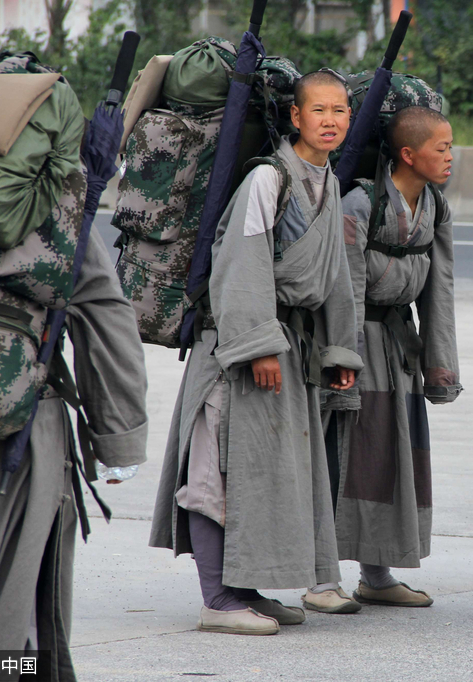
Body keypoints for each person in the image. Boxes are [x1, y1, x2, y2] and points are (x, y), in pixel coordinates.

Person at [149, 70, 363, 634]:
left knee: (266, 471)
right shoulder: (268, 179)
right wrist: (258, 347)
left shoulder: (327, 179)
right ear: (296, 117)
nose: (331, 121)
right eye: (319, 111)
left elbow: (336, 276)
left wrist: (340, 349)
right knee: (216, 468)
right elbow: (241, 263)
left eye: (340, 111)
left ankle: (246, 588)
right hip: (239, 348)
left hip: (290, 345)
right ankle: (217, 598)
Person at [0, 231, 149, 679]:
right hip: (16, 428)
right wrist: (119, 437)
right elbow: (103, 313)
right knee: (6, 599)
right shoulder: (54, 194)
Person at [321, 106, 461, 610]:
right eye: (440, 148)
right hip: (356, 343)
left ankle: (376, 576)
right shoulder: (360, 204)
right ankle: (321, 580)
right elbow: (345, 290)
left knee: (386, 463)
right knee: (343, 459)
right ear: (408, 154)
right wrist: (344, 361)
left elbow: (439, 287)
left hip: (399, 351)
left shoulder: (435, 205)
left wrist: (439, 366)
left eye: (450, 148)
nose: (449, 158)